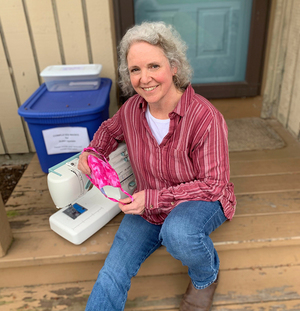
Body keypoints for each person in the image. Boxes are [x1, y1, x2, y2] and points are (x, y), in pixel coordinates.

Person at [78, 21, 236, 311]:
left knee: (178, 233)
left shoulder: (205, 118)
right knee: (112, 272)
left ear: (174, 67)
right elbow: (109, 130)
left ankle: (206, 276)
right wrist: (92, 151)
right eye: (135, 70)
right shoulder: (131, 110)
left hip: (199, 199)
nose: (144, 78)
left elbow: (213, 184)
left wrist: (152, 198)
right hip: (147, 205)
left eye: (154, 66)